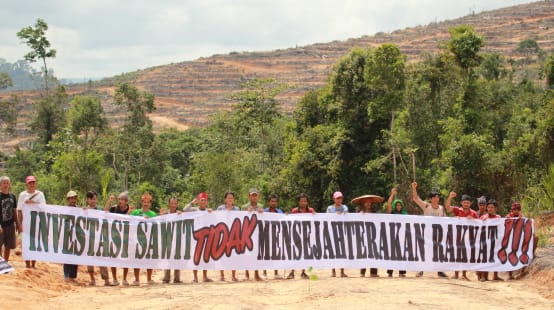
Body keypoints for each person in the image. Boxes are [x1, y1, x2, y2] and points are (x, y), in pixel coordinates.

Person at [411, 182, 448, 278]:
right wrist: (414, 188)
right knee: (424, 252)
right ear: (430, 199)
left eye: (438, 197)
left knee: (439, 252)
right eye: (434, 197)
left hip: (438, 234)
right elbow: (416, 198)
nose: (437, 199)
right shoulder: (426, 206)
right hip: (427, 234)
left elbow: (446, 220)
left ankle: (440, 271)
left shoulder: (442, 208)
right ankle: (421, 270)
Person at [445, 191, 479, 280]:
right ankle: (456, 274)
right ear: (461, 203)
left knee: (465, 256)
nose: (466, 204)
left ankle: (464, 274)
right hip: (457, 237)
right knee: (456, 255)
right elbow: (447, 208)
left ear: (470, 203)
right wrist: (450, 197)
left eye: (468, 203)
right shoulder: (457, 210)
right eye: (464, 202)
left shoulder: (474, 213)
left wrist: (473, 220)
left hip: (469, 239)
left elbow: (480, 224)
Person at [183, 192, 214, 283]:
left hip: (206, 236)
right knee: (196, 256)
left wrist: (212, 212)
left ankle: (205, 276)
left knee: (205, 256)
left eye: (205, 200)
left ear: (207, 202)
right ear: (199, 201)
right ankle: (195, 277)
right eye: (201, 200)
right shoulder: (194, 210)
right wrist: (192, 202)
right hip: (196, 236)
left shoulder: (208, 211)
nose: (203, 202)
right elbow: (185, 209)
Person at [16, 175, 46, 268]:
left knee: (35, 244)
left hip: (37, 223)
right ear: (27, 184)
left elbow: (44, 207)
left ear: (35, 184)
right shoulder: (22, 195)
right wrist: (19, 224)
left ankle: (33, 264)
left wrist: (32, 203)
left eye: (33, 183)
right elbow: (19, 210)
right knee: (26, 244)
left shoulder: (40, 194)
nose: (32, 184)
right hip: (26, 223)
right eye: (30, 183)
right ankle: (27, 264)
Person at [129, 192, 158, 286]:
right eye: (144, 201)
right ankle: (137, 280)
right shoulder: (135, 212)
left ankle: (149, 279)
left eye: (148, 202)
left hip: (149, 239)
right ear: (141, 202)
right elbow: (129, 221)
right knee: (136, 260)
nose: (146, 203)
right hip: (137, 239)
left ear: (150, 203)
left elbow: (157, 225)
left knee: (149, 260)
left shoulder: (153, 214)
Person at [352, 194, 383, 278]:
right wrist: (360, 214)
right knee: (364, 253)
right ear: (363, 203)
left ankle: (373, 272)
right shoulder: (358, 211)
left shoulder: (375, 211)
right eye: (366, 202)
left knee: (374, 253)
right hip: (362, 235)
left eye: (370, 202)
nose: (368, 204)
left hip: (373, 235)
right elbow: (354, 220)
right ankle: (362, 272)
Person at [104, 191, 131, 286]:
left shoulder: (130, 209)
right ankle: (115, 279)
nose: (120, 201)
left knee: (125, 258)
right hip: (114, 236)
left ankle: (124, 279)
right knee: (113, 258)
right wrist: (109, 202)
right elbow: (105, 212)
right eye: (119, 199)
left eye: (122, 200)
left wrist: (129, 213)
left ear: (126, 201)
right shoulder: (114, 208)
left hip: (126, 236)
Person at [506, 202, 538, 280]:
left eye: (517, 210)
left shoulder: (524, 218)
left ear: (519, 210)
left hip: (520, 240)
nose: (515, 211)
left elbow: (529, 230)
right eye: (514, 209)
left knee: (534, 240)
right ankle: (510, 274)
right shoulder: (508, 217)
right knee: (509, 253)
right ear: (512, 210)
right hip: (510, 240)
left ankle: (522, 271)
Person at [84, 191, 110, 286]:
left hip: (99, 238)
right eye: (92, 199)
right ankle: (92, 279)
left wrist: (109, 202)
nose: (94, 201)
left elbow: (105, 212)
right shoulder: (84, 210)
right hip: (88, 239)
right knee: (89, 260)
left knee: (101, 258)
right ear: (87, 199)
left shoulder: (99, 209)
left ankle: (106, 280)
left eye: (95, 199)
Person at [287, 193, 315, 280]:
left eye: (305, 201)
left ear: (307, 202)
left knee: (305, 254)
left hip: (307, 235)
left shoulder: (311, 211)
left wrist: (315, 215)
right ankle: (292, 272)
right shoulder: (294, 211)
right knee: (295, 254)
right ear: (298, 202)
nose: (303, 203)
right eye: (301, 201)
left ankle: (303, 272)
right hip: (296, 235)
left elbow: (316, 219)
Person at [216, 192, 240, 282]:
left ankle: (233, 276)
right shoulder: (220, 208)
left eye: (231, 198)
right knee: (221, 255)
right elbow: (215, 218)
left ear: (233, 199)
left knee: (234, 256)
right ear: (225, 199)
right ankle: (222, 275)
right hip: (222, 234)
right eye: (228, 198)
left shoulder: (237, 209)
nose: (230, 199)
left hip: (234, 235)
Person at [242, 188, 264, 281]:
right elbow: (239, 219)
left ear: (258, 196)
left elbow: (264, 218)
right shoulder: (244, 207)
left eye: (255, 195)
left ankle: (256, 274)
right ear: (249, 196)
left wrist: (262, 212)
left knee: (256, 254)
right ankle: (246, 274)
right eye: (252, 195)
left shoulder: (260, 206)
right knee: (247, 254)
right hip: (247, 233)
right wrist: (246, 212)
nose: (254, 197)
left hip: (257, 233)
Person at [479, 199, 502, 282]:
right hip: (485, 241)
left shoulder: (499, 217)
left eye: (492, 207)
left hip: (495, 241)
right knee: (484, 258)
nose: (490, 209)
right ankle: (483, 276)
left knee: (495, 257)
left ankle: (495, 276)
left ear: (496, 208)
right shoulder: (483, 217)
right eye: (488, 207)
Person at [386, 188, 407, 278]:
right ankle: (390, 272)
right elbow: (389, 204)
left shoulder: (404, 214)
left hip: (401, 236)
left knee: (401, 254)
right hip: (392, 236)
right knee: (392, 254)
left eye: (400, 205)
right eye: (397, 205)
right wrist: (392, 194)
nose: (398, 207)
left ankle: (401, 272)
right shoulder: (392, 213)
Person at [326, 191, 348, 278]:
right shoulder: (329, 208)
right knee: (333, 251)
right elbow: (327, 218)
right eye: (338, 198)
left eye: (341, 198)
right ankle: (333, 271)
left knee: (343, 251)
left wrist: (342, 214)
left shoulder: (345, 207)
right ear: (334, 199)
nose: (339, 200)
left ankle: (342, 271)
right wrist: (336, 215)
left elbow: (346, 214)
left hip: (343, 232)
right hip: (332, 232)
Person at [263, 194, 284, 280]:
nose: (274, 203)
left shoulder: (279, 212)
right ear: (269, 202)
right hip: (266, 235)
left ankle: (276, 273)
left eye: (275, 201)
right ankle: (264, 273)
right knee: (265, 255)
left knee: (276, 254)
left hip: (276, 235)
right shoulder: (264, 212)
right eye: (272, 201)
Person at [162, 196, 182, 284]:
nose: (173, 205)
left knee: (177, 258)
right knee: (168, 258)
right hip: (167, 238)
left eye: (175, 203)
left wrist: (182, 215)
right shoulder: (165, 213)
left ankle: (177, 279)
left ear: (177, 204)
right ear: (169, 204)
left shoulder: (180, 213)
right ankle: (166, 278)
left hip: (177, 239)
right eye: (172, 203)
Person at [0, 176, 20, 263]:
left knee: (8, 246)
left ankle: (5, 264)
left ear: (9, 184)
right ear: (0, 185)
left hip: (10, 225)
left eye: (7, 183)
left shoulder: (13, 196)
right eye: (4, 183)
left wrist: (18, 223)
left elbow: (14, 211)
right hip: (1, 225)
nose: (6, 184)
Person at [63, 190, 80, 284]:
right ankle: (66, 276)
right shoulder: (64, 210)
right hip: (66, 235)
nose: (73, 200)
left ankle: (72, 277)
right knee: (66, 256)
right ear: (68, 199)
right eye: (71, 198)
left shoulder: (79, 209)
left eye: (75, 198)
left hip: (76, 236)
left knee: (75, 256)